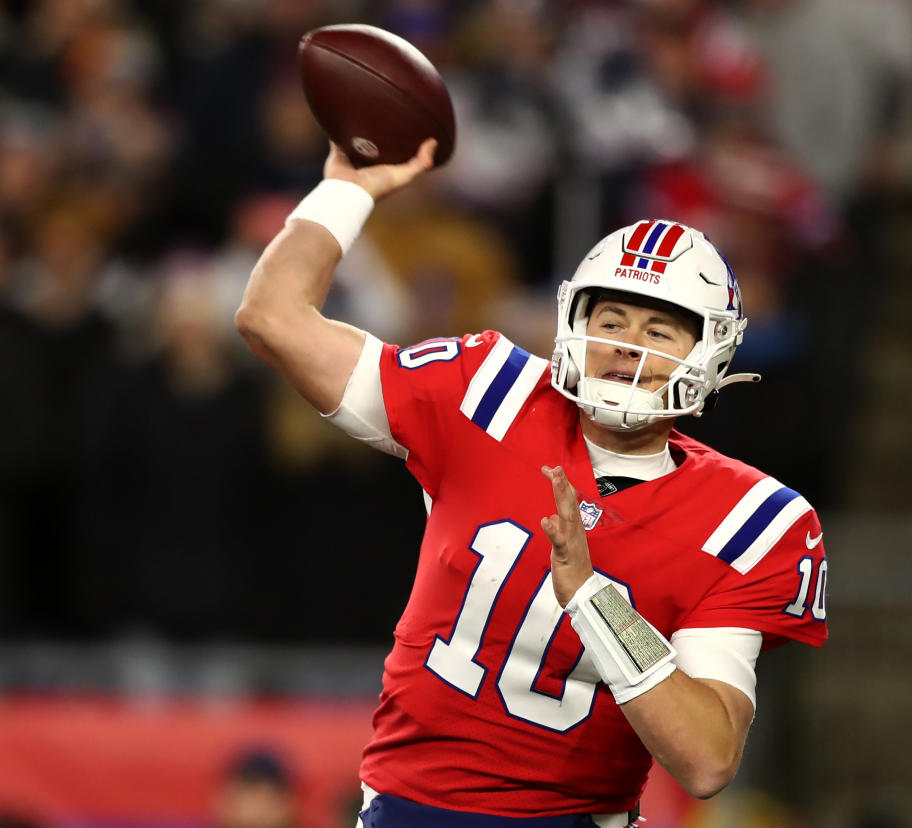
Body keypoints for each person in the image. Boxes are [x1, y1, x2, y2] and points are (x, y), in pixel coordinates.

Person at [235, 138, 829, 828]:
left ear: (710, 354)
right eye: (612, 319)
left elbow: (706, 759)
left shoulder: (751, 520)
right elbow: (271, 317)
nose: (627, 346)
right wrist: (346, 190)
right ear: (574, 322)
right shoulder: (489, 393)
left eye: (660, 329)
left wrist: (597, 604)